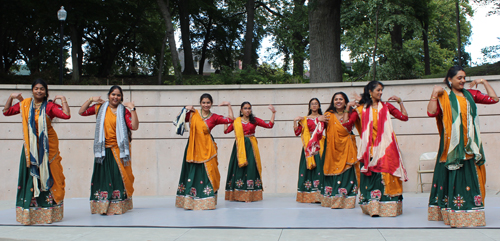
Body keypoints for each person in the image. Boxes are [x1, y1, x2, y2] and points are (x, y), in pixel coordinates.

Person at [427, 66, 498, 227]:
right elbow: (431, 113)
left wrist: (484, 81)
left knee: (472, 177)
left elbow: (494, 99)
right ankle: (452, 213)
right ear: (449, 79)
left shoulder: (470, 95)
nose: (463, 81)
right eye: (459, 78)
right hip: (451, 146)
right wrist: (434, 93)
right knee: (452, 176)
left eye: (464, 77)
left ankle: (471, 211)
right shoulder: (443, 95)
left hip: (470, 145)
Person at [3, 79, 70, 225]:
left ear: (46, 92)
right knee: (30, 177)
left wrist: (63, 100)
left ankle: (49, 210)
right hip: (30, 148)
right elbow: (6, 112)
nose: (39, 91)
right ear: (32, 90)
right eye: (36, 88)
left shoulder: (50, 106)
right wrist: (11, 97)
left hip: (47, 148)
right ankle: (30, 211)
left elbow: (66, 115)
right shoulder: (25, 104)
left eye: (42, 89)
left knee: (50, 174)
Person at [345, 80, 409, 217]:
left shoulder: (386, 106)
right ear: (370, 92)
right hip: (369, 151)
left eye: (381, 90)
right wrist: (348, 108)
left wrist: (400, 102)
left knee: (385, 176)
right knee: (372, 179)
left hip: (386, 149)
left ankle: (389, 207)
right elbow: (348, 125)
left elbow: (404, 117)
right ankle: (373, 208)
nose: (381, 93)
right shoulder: (361, 109)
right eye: (378, 90)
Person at [79, 85, 139, 215]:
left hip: (118, 150)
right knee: (103, 179)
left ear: (121, 97)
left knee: (119, 178)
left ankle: (117, 206)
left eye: (118, 95)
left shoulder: (124, 111)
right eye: (113, 94)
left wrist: (132, 109)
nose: (115, 97)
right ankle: (101, 206)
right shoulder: (100, 108)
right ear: (108, 96)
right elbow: (82, 112)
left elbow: (134, 126)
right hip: (103, 150)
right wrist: (91, 99)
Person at [175, 93, 234, 210]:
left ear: (211, 104)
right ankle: (190, 201)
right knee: (192, 172)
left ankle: (208, 200)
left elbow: (231, 119)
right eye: (204, 102)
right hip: (193, 147)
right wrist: (184, 109)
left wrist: (229, 105)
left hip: (208, 149)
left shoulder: (214, 117)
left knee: (209, 172)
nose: (206, 105)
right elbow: (178, 120)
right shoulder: (193, 114)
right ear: (200, 103)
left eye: (208, 103)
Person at [224, 102, 275, 202]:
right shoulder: (237, 121)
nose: (247, 110)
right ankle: (237, 194)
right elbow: (226, 131)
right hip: (239, 148)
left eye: (249, 108)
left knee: (251, 168)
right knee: (238, 168)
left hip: (251, 147)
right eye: (245, 108)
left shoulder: (254, 120)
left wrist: (273, 113)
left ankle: (250, 194)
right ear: (241, 110)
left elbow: (269, 125)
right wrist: (226, 120)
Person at [321, 92, 359, 209]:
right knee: (331, 171)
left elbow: (347, 126)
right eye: (336, 99)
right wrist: (318, 120)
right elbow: (318, 130)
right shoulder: (328, 114)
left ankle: (346, 200)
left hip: (346, 147)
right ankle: (330, 200)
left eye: (341, 99)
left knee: (347, 172)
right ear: (333, 102)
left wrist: (348, 108)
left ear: (345, 101)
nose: (338, 101)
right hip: (332, 149)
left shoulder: (353, 113)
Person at [293, 98, 325, 203]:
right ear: (309, 106)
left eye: (316, 104)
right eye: (312, 104)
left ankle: (319, 195)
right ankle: (306, 195)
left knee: (320, 168)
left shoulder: (322, 118)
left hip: (319, 145)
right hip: (308, 146)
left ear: (319, 106)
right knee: (306, 169)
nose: (314, 105)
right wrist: (295, 121)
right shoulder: (305, 119)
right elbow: (297, 133)